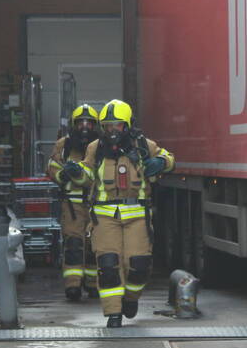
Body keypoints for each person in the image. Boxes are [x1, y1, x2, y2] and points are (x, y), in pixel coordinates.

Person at [60, 99, 175, 327]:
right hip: (104, 218)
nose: (112, 131)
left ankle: (131, 299)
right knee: (108, 265)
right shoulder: (95, 148)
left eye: (117, 125)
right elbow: (86, 176)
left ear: (128, 125)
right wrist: (76, 171)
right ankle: (113, 313)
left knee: (139, 264)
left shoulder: (143, 144)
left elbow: (170, 158)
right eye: (108, 126)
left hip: (137, 217)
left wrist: (160, 163)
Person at [46, 104, 100, 301]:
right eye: (80, 123)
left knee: (94, 245)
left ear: (96, 125)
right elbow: (52, 167)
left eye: (89, 123)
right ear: (73, 124)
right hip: (72, 205)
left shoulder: (100, 146)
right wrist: (63, 174)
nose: (84, 127)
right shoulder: (64, 144)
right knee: (74, 245)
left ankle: (93, 284)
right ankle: (73, 285)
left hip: (96, 205)